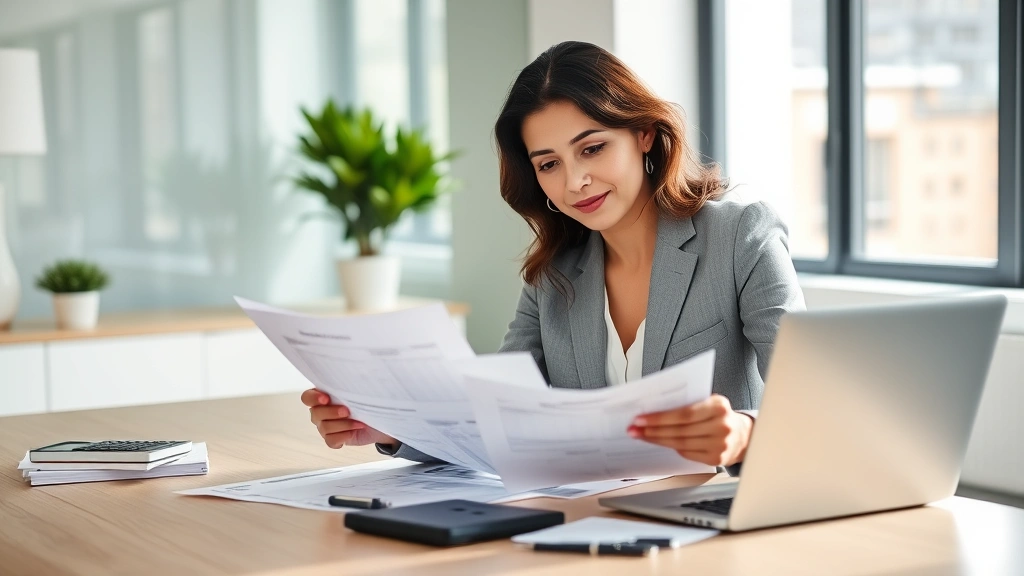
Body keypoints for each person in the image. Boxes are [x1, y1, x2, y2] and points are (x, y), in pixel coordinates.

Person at [301, 41, 804, 474]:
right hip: (586, 524)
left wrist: (744, 432)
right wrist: (390, 426)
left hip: (716, 524)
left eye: (592, 148)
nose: (573, 182)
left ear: (644, 134)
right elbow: (495, 414)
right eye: (549, 163)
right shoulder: (553, 275)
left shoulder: (741, 237)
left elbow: (817, 403)